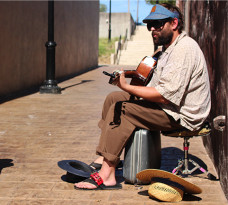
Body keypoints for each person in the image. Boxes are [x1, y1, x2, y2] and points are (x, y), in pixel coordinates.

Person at [74, 3, 211, 190]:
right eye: (149, 26)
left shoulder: (184, 49)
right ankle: (106, 156)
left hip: (182, 115)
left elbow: (164, 96)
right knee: (114, 98)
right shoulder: (167, 50)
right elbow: (152, 83)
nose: (152, 30)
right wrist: (125, 78)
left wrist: (128, 88)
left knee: (122, 109)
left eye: (158, 25)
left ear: (174, 23)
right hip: (168, 108)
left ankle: (107, 174)